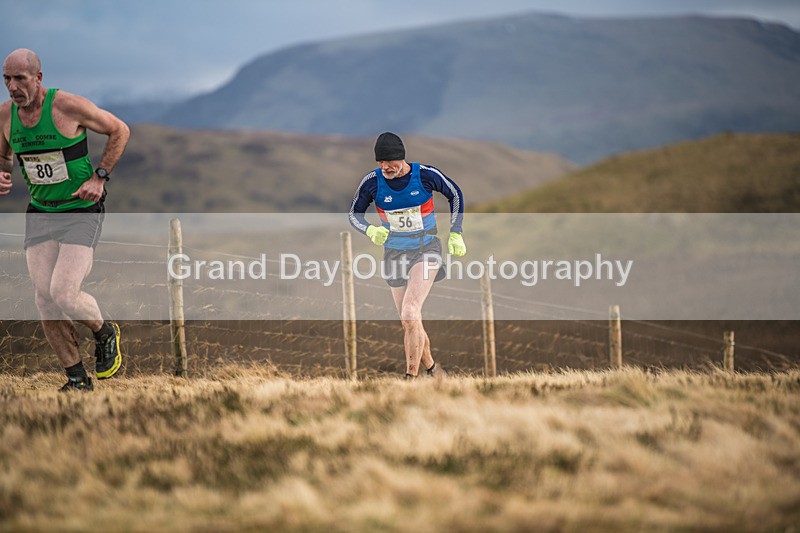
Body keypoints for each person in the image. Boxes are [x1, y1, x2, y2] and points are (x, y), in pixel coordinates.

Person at [0, 49, 130, 392]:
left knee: (64, 293)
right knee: (44, 297)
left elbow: (120, 130)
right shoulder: (4, 115)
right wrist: (2, 172)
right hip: (41, 211)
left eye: (20, 79)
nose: (13, 87)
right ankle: (76, 379)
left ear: (38, 78)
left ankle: (105, 332)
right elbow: (3, 154)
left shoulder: (67, 106)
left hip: (79, 210)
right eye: (6, 80)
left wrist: (100, 177)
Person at [349, 132, 466, 379]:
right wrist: (370, 230)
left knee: (411, 312)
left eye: (390, 162)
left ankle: (410, 378)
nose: (386, 167)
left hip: (426, 249)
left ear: (402, 158)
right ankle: (435, 372)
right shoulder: (372, 181)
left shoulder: (425, 174)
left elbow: (455, 194)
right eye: (381, 162)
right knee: (409, 321)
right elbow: (353, 215)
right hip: (394, 253)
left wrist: (455, 232)